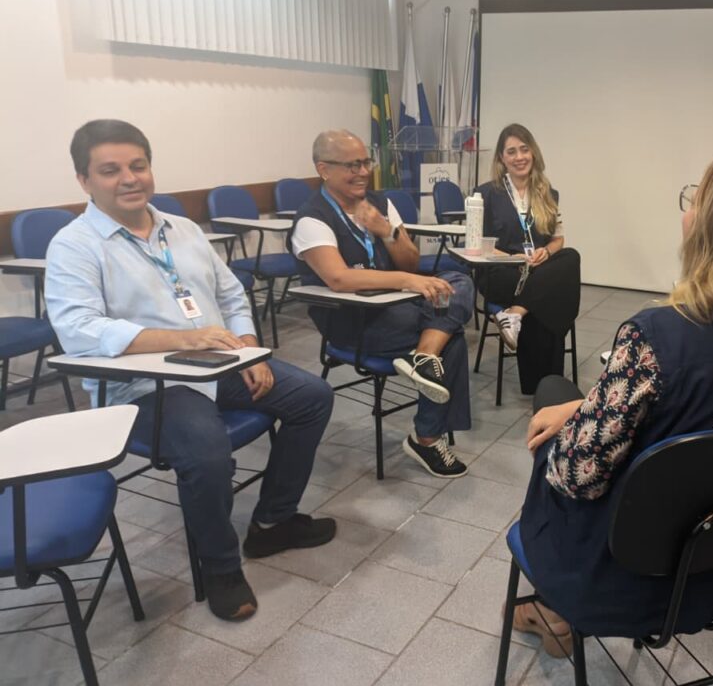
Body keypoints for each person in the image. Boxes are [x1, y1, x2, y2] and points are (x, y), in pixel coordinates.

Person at [511, 153, 713, 653]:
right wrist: (589, 407)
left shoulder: (655, 337)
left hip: (616, 577)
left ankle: (555, 612)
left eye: (695, 200)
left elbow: (575, 476)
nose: (686, 211)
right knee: (566, 401)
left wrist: (573, 424)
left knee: (550, 395)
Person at [46, 119, 336, 622]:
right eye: (110, 170)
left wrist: (249, 349)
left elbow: (230, 294)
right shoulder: (74, 245)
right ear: (84, 180)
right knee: (207, 451)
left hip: (219, 364)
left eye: (138, 165)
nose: (129, 178)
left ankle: (273, 522)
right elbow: (79, 329)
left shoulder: (182, 229)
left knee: (313, 397)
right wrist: (184, 339)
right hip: (144, 386)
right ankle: (220, 566)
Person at [291, 129, 473, 478]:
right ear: (324, 169)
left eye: (366, 162)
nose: (363, 172)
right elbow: (338, 278)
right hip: (353, 321)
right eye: (352, 165)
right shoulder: (312, 218)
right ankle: (427, 436)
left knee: (458, 281)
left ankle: (424, 357)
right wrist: (407, 281)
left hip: (397, 305)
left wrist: (386, 231)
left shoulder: (379, 204)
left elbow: (411, 262)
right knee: (452, 335)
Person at [474, 123, 581, 394]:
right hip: (501, 271)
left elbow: (558, 240)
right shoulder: (485, 194)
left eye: (524, 149)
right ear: (501, 158)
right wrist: (513, 257)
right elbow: (478, 244)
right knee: (552, 291)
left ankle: (515, 314)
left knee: (570, 257)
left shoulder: (548, 193)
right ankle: (549, 384)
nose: (519, 157)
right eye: (511, 152)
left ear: (533, 152)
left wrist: (547, 252)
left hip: (536, 271)